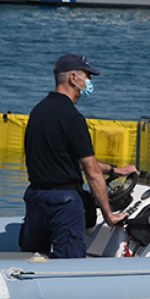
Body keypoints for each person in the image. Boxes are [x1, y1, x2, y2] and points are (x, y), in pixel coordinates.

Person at [20, 53, 138, 258]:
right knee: (71, 263)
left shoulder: (38, 111)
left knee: (31, 259)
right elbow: (92, 173)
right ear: (73, 78)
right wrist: (109, 215)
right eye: (88, 76)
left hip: (36, 198)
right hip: (64, 202)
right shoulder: (72, 117)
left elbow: (69, 159)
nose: (89, 82)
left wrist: (115, 171)